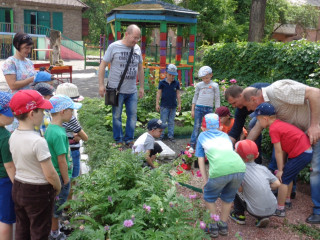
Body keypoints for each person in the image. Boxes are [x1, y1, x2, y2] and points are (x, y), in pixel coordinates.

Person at [241, 79, 320, 223]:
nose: (248, 110)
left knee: (315, 171)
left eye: (248, 106)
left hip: (315, 129)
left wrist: (315, 125)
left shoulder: (276, 91)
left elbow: (315, 93)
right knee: (288, 173)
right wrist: (242, 150)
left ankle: (314, 211)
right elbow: (256, 129)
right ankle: (287, 199)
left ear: (254, 99)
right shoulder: (268, 110)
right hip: (301, 139)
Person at [8, 90, 61, 240]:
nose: (44, 114)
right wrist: (57, 187)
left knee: (22, 228)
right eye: (42, 111)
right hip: (38, 191)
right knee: (39, 231)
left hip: (18, 186)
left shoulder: (13, 136)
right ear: (32, 114)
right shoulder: (38, 141)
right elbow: (50, 173)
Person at [254, 102, 312, 217]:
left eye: (258, 120)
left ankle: (280, 209)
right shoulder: (278, 124)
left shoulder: (273, 129)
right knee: (288, 175)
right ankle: (287, 200)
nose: (259, 123)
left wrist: (279, 169)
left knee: (283, 179)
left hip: (301, 152)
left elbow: (279, 151)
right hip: (305, 151)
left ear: (265, 118)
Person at [196, 113, 245, 238]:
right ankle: (223, 225)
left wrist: (205, 180)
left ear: (203, 127)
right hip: (239, 167)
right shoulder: (225, 136)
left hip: (220, 170)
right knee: (228, 197)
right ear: (220, 126)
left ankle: (213, 225)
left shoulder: (202, 136)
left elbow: (201, 159)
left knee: (209, 196)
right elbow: (230, 153)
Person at [98, 24, 144, 147]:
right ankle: (118, 140)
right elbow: (102, 65)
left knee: (132, 116)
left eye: (138, 38)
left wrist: (142, 87)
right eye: (134, 37)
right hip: (116, 90)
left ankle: (129, 139)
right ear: (127, 34)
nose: (136, 40)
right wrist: (101, 85)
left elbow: (140, 68)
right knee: (116, 116)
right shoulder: (114, 47)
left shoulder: (137, 49)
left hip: (132, 90)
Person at [44, 95, 82, 240]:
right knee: (57, 206)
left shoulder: (51, 129)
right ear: (62, 111)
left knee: (56, 204)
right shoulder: (59, 134)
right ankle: (55, 233)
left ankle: (57, 227)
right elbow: (62, 160)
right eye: (71, 111)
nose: (72, 114)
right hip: (60, 176)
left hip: (57, 174)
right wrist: (66, 180)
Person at [230, 139, 280, 228]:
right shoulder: (263, 168)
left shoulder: (239, 170)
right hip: (273, 208)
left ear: (237, 155)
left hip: (255, 210)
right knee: (262, 190)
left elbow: (240, 190)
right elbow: (277, 184)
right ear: (257, 155)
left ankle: (239, 215)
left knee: (234, 188)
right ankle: (261, 217)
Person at [224, 83, 270, 164]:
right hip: (261, 115)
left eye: (234, 103)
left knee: (254, 125)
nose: (234, 106)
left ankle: (273, 168)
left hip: (276, 109)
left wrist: (242, 148)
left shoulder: (257, 91)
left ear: (241, 96)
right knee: (252, 125)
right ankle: (256, 159)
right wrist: (225, 149)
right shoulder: (240, 109)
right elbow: (236, 130)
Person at [56, 83, 88, 179]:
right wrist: (79, 136)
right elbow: (85, 138)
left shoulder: (53, 115)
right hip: (72, 150)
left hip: (60, 151)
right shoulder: (70, 118)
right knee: (73, 177)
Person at [190, 66, 220, 151]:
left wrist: (217, 110)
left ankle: (207, 144)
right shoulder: (199, 85)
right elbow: (195, 97)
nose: (205, 80)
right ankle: (192, 144)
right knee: (196, 126)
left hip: (209, 109)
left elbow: (217, 98)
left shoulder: (215, 85)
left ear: (211, 75)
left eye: (207, 78)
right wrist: (192, 110)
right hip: (198, 108)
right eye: (203, 78)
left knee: (209, 127)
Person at [0, 92, 15, 240]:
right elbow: (9, 166)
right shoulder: (4, 136)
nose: (12, 116)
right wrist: (17, 184)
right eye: (8, 113)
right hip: (4, 181)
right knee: (6, 219)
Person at [156, 63, 181, 141]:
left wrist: (179, 104)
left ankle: (170, 136)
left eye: (173, 75)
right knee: (163, 121)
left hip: (173, 106)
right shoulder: (162, 83)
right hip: (164, 106)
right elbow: (159, 93)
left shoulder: (176, 83)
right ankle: (161, 135)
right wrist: (157, 103)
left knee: (171, 122)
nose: (172, 77)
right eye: (170, 75)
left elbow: (178, 94)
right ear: (166, 73)